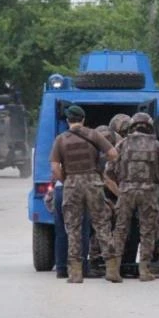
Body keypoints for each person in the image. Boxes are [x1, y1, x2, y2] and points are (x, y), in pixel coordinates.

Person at [49, 105, 118, 283]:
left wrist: (67, 180)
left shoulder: (60, 139)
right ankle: (112, 270)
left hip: (72, 184)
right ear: (83, 119)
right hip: (93, 182)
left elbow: (55, 167)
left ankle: (76, 274)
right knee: (102, 224)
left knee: (73, 227)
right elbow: (113, 154)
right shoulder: (94, 135)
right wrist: (98, 166)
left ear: (67, 121)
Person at [110, 112, 159, 282]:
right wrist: (155, 180)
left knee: (121, 229)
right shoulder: (157, 145)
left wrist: (122, 180)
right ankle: (144, 270)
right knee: (147, 230)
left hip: (126, 191)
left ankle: (113, 269)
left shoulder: (122, 144)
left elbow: (109, 169)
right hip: (149, 192)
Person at [87, 125, 121, 277]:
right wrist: (121, 196)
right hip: (103, 198)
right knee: (102, 229)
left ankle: (96, 260)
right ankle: (98, 261)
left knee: (98, 229)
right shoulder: (108, 157)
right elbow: (108, 180)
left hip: (95, 196)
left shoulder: (91, 154)